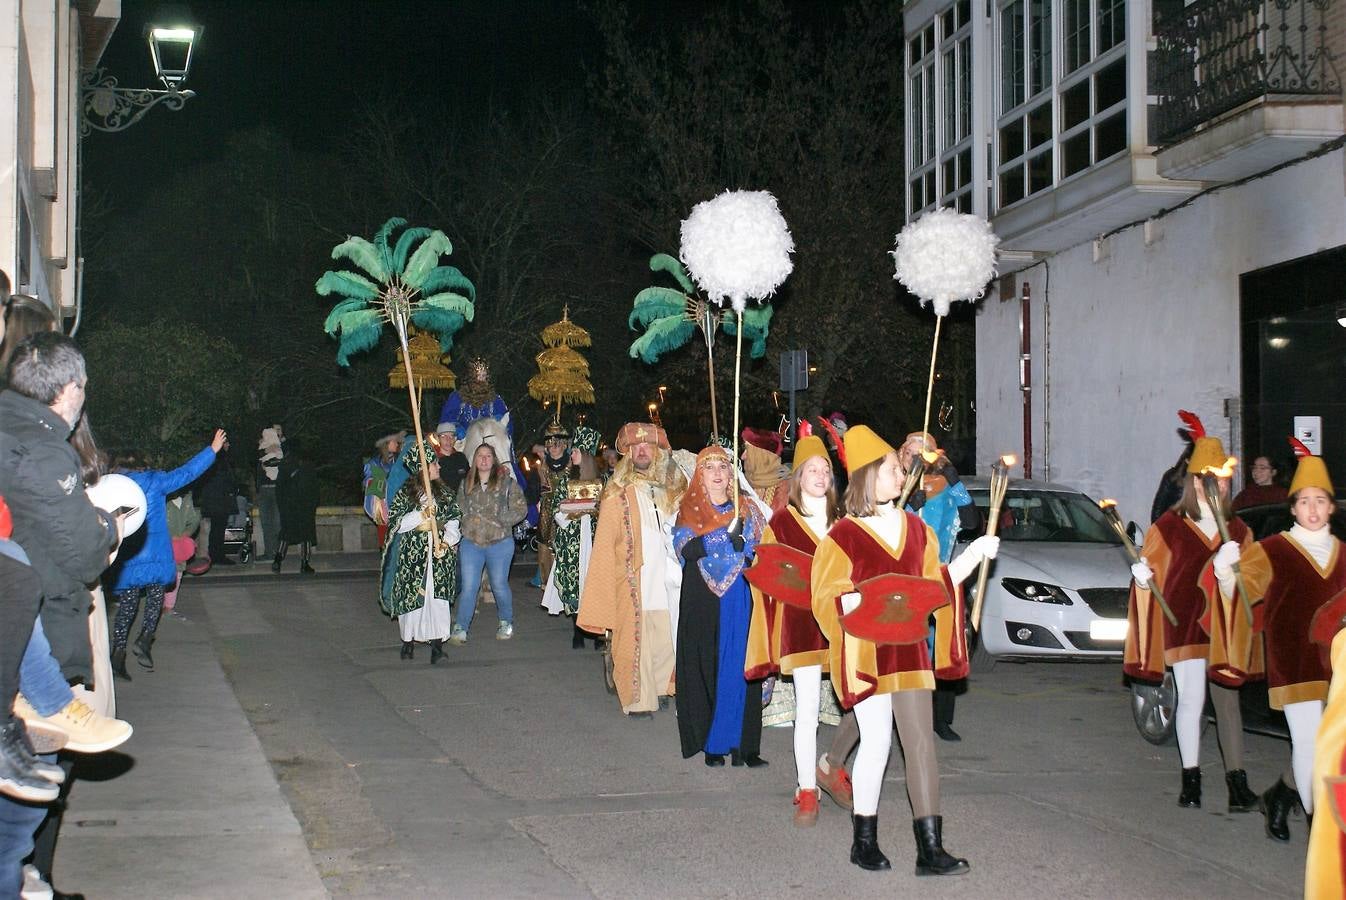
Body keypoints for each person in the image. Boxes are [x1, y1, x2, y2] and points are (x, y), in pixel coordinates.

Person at [811, 424, 997, 874]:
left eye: (899, 469)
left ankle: (930, 850)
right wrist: (848, 601)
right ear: (868, 477)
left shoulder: (918, 530)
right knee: (876, 743)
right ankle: (864, 839)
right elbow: (823, 594)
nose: (901, 475)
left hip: (911, 649)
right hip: (870, 651)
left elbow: (933, 585)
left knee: (920, 747)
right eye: (893, 469)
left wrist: (970, 561)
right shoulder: (844, 536)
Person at [0, 332, 126, 897]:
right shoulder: (47, 447)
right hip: (42, 614)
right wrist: (109, 528)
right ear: (70, 389)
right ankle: (28, 876)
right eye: (84, 389)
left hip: (27, 610)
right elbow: (81, 554)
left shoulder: (9, 423)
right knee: (37, 774)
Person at [1124, 411, 1259, 813]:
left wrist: (1237, 571)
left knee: (1228, 703)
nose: (1216, 485)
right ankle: (1191, 779)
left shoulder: (1239, 531)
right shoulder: (1169, 525)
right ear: (1194, 481)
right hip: (1185, 626)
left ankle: (1237, 787)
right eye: (1208, 479)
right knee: (1191, 699)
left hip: (1223, 627)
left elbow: (1253, 582)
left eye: (1222, 479)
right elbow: (1154, 571)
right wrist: (1144, 578)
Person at [1212, 443, 1342, 841]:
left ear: (1331, 508)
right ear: (1293, 508)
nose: (1313, 509)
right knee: (1307, 744)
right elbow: (1237, 593)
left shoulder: (1344, 553)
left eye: (1320, 501)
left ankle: (1280, 797)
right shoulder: (1272, 550)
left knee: (1328, 747)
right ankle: (1319, 830)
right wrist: (1224, 570)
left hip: (1338, 666)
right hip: (1294, 662)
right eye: (1305, 502)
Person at [744, 434, 839, 824]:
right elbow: (767, 576)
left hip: (841, 628)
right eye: (812, 470)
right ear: (798, 478)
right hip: (802, 628)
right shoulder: (783, 522)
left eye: (826, 470)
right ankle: (806, 789)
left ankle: (833, 766)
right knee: (809, 714)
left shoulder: (845, 522)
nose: (819, 475)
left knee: (863, 707)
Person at [578, 424, 686, 717]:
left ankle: (664, 687)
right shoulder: (616, 493)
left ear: (658, 451)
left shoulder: (676, 490)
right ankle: (638, 699)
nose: (641, 451)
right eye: (635, 447)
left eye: (647, 446)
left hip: (669, 577)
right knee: (634, 639)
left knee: (668, 635)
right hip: (633, 580)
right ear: (627, 454)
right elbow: (603, 546)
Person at [674, 445, 768, 767]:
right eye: (709, 467)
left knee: (741, 665)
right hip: (704, 599)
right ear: (699, 475)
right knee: (709, 664)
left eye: (723, 467)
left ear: (731, 474)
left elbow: (761, 552)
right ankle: (713, 743)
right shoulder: (689, 510)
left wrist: (748, 545)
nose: (717, 473)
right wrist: (722, 537)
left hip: (739, 595)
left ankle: (744, 745)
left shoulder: (747, 510)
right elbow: (686, 549)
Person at [107, 432, 226, 678]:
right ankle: (145, 637)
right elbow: (187, 473)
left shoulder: (114, 486)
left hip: (130, 555)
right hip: (156, 554)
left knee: (128, 606)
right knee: (155, 599)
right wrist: (211, 450)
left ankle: (118, 654)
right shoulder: (155, 480)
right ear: (142, 462)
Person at [901, 431, 979, 742]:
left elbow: (972, 522)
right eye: (912, 451)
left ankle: (941, 718)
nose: (918, 457)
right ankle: (909, 715)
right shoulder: (896, 485)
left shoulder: (947, 489)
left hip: (942, 575)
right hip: (907, 577)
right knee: (912, 650)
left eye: (924, 451)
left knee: (943, 646)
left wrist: (956, 483)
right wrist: (907, 505)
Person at [381, 437, 461, 664]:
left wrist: (448, 540)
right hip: (413, 556)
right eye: (434, 464)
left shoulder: (445, 494)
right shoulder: (406, 495)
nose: (439, 467)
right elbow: (396, 524)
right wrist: (421, 515)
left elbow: (455, 519)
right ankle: (408, 640)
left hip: (438, 555)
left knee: (438, 600)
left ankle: (437, 645)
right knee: (413, 599)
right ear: (423, 469)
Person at [451, 442, 527, 643]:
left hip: (499, 542)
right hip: (471, 542)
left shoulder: (507, 483)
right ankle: (461, 627)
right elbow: (458, 509)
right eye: (480, 455)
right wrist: (463, 525)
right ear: (474, 460)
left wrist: (502, 520)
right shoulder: (466, 484)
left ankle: (506, 621)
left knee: (499, 584)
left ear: (494, 460)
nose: (484, 459)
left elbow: (521, 508)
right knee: (469, 586)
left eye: (488, 456)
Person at [541, 424, 602, 648]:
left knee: (594, 584)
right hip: (572, 540)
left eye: (575, 452)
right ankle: (577, 630)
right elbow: (556, 508)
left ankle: (597, 633)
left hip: (594, 539)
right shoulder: (566, 480)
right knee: (576, 583)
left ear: (584, 456)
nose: (571, 455)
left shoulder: (601, 482)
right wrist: (570, 513)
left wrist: (594, 510)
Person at [273, 441, 320, 574]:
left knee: (286, 534)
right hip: (305, 506)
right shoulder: (308, 465)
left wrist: (282, 506)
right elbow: (314, 488)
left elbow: (279, 489)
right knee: (306, 536)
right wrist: (313, 504)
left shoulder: (285, 465)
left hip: (289, 506)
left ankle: (278, 558)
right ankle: (304, 563)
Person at [199, 435, 238, 565]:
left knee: (217, 529)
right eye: (226, 443)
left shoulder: (216, 460)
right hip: (219, 500)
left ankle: (216, 554)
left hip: (217, 500)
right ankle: (217, 555)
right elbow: (223, 480)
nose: (228, 445)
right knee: (218, 529)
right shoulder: (220, 461)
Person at [363, 430, 405, 548]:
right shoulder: (374, 463)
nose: (397, 443)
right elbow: (371, 485)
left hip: (400, 507)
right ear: (386, 443)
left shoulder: (399, 461)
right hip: (383, 507)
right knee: (386, 543)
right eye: (394, 441)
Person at [257, 425, 285, 559]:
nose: (277, 432)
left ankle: (278, 552)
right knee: (266, 523)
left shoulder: (285, 447)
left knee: (277, 522)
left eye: (279, 430)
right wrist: (265, 451)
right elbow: (254, 459)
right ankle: (269, 552)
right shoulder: (262, 447)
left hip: (277, 489)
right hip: (264, 489)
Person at [435, 422, 469, 493]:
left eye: (451, 436)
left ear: (455, 439)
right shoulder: (434, 461)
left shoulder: (461, 457)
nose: (448, 440)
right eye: (444, 436)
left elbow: (470, 477)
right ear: (438, 439)